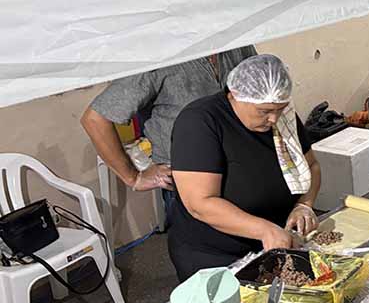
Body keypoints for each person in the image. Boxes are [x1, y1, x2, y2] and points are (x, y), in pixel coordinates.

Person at [168, 55, 321, 281]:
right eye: (264, 111)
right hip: (215, 255)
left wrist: (304, 205)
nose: (273, 118)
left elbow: (312, 166)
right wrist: (265, 230)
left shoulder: (283, 119)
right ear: (235, 95)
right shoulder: (200, 122)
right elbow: (200, 203)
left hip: (276, 243)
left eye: (280, 109)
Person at [81, 47, 257, 212]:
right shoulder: (159, 59)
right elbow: (95, 119)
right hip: (189, 180)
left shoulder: (233, 43)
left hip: (240, 167)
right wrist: (134, 178)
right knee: (206, 242)